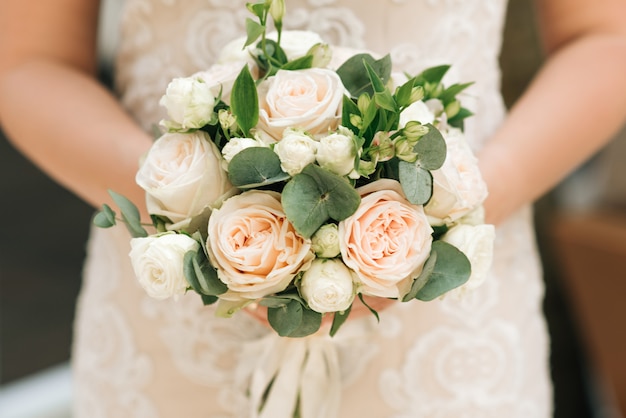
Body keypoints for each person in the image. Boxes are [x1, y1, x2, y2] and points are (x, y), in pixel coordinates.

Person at [1, 0, 626, 416]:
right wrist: (193, 212)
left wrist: (449, 211)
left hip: (445, 322)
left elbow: (605, 36)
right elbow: (27, 57)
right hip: (167, 313)